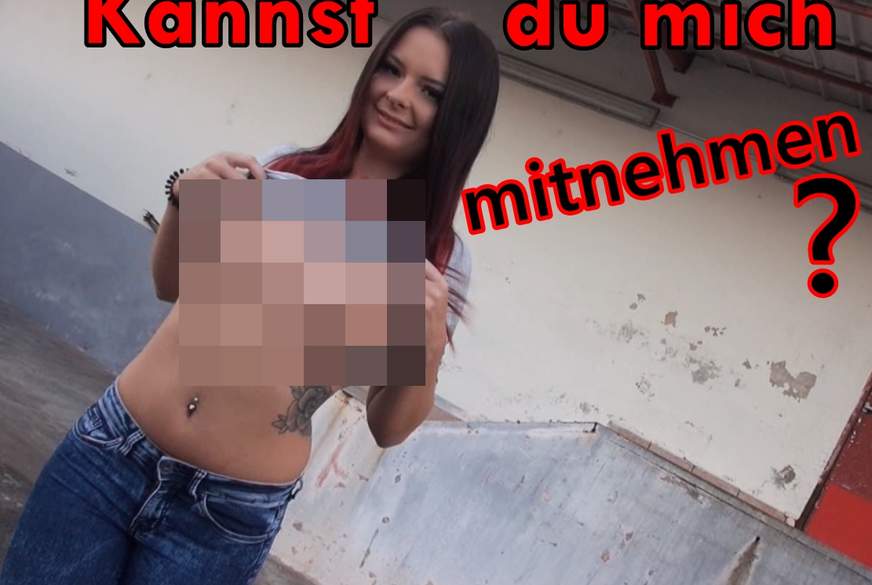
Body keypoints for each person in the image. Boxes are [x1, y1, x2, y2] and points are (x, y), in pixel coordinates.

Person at [0, 6, 499, 585]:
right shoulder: (283, 170)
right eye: (391, 69)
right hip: (111, 450)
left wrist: (428, 347)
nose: (397, 95)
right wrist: (183, 201)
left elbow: (387, 426)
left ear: (458, 117)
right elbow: (171, 285)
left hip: (224, 515)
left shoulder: (434, 254)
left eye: (430, 91)